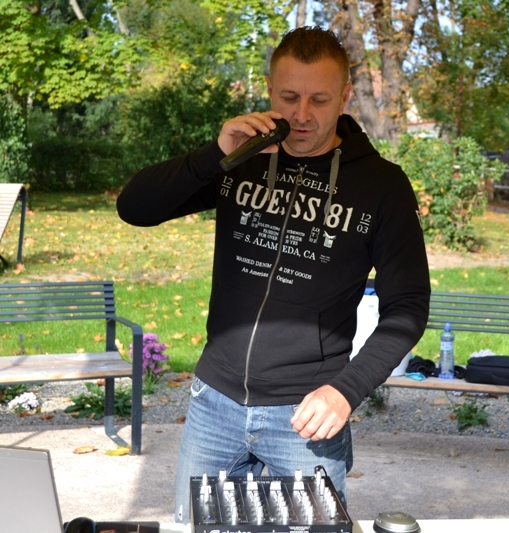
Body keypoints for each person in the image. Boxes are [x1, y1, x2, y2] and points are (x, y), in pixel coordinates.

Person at [116, 26, 430, 523]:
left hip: (306, 415)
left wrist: (346, 391)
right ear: (268, 90)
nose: (302, 114)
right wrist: (213, 156)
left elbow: (408, 306)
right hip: (214, 403)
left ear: (345, 96)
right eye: (288, 97)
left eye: (319, 100)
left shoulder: (382, 186)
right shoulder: (242, 159)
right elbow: (135, 208)